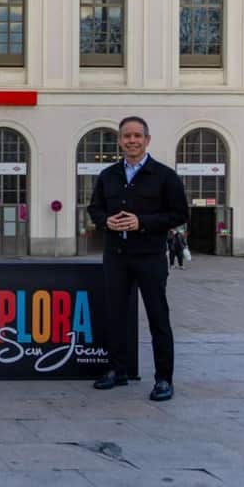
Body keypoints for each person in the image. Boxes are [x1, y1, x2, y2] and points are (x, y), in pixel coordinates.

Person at [87, 116, 188, 402]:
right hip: (116, 257)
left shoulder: (165, 176)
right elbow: (94, 210)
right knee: (115, 316)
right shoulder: (108, 175)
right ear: (119, 141)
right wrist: (107, 222)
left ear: (147, 140)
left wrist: (141, 222)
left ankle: (164, 379)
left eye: (137, 136)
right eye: (126, 136)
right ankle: (117, 370)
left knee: (158, 318)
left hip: (150, 258)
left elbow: (179, 214)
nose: (132, 140)